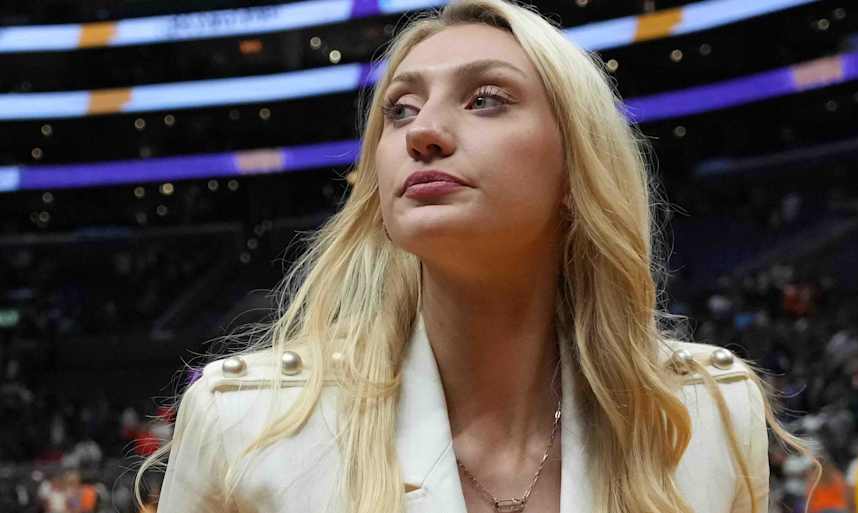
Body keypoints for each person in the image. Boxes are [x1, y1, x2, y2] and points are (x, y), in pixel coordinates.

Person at [136, 1, 815, 512]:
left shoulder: (705, 415)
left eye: (485, 99)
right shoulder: (242, 426)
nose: (424, 132)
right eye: (400, 110)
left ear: (578, 168)